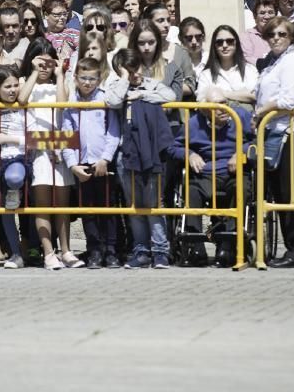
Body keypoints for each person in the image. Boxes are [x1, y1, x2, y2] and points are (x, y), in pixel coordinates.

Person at [253, 16, 294, 268]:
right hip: (274, 130)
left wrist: (260, 113)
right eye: (271, 35)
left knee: (292, 191)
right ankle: (292, 248)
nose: (276, 38)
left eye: (282, 34)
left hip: (292, 130)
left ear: (292, 37)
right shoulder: (273, 63)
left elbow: (288, 101)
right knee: (280, 192)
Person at [17, 38, 84, 269]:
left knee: (62, 204)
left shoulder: (60, 81)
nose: (44, 67)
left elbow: (63, 103)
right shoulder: (26, 81)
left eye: (48, 63)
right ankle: (48, 251)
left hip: (60, 148)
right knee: (43, 203)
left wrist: (59, 74)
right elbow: (22, 99)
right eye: (40, 62)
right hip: (38, 149)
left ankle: (66, 250)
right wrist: (35, 71)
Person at [107, 50, 175, 269]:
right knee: (134, 205)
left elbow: (170, 96)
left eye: (135, 67)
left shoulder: (152, 84)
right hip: (126, 154)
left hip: (151, 152)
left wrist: (141, 95)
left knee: (154, 204)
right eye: (128, 69)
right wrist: (124, 79)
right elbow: (113, 101)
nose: (134, 73)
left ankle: (160, 251)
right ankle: (141, 250)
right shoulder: (117, 85)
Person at [168, 88, 252, 267]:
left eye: (224, 103)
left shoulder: (240, 117)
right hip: (205, 173)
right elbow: (174, 147)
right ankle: (196, 246)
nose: (223, 109)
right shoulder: (193, 123)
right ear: (204, 109)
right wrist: (189, 154)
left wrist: (241, 152)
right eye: (216, 105)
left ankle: (228, 244)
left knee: (242, 189)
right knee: (190, 191)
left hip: (233, 173)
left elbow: (257, 140)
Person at [62, 57, 121, 269]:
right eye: (83, 78)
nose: (87, 83)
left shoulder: (105, 101)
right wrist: (72, 165)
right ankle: (94, 249)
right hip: (82, 165)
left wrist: (106, 158)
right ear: (76, 78)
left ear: (99, 79)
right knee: (88, 210)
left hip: (102, 163)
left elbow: (113, 132)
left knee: (108, 209)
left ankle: (111, 250)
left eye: (92, 79)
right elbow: (66, 137)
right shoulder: (70, 104)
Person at [0, 65, 30, 269]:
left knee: (14, 180)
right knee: (6, 211)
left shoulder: (24, 106)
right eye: (7, 86)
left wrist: (8, 138)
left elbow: (34, 139)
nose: (12, 90)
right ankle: (16, 254)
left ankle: (15, 192)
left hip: (16, 159)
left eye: (15, 85)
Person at [196, 25, 256, 108]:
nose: (224, 45)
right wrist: (241, 94)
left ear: (236, 43)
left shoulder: (250, 70)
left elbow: (255, 96)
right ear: (214, 46)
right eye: (219, 42)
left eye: (230, 41)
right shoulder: (206, 75)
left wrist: (222, 93)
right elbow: (201, 101)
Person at [241, 0, 277, 65]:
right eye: (262, 13)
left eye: (270, 12)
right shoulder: (246, 37)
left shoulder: (281, 35)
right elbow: (247, 58)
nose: (267, 17)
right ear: (255, 16)